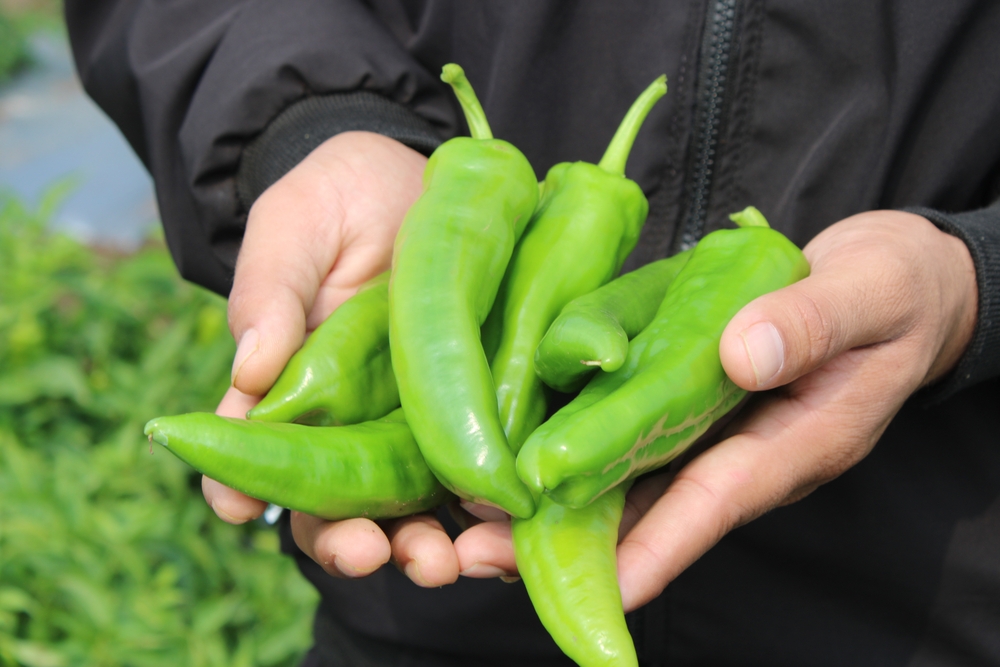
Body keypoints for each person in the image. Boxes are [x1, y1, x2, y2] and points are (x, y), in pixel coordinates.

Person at [66, 1, 1000, 665]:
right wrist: (308, 119)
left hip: (915, 608)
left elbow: (566, 349)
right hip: (421, 627)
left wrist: (977, 279)